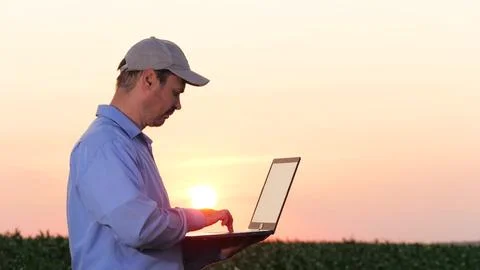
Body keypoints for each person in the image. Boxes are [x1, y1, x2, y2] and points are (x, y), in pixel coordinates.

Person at [66, 37, 264, 270]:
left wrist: (215, 250)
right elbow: (141, 229)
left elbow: (141, 254)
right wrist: (195, 218)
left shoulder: (129, 144)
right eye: (175, 92)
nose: (178, 104)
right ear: (149, 79)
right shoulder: (105, 145)